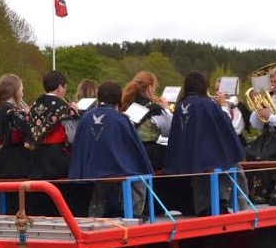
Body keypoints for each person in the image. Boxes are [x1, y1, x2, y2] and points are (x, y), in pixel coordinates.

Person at [163, 70, 246, 216]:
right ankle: (231, 204)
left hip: (188, 156)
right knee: (232, 163)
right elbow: (226, 126)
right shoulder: (207, 104)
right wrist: (223, 106)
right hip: (207, 155)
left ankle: (202, 207)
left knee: (202, 176)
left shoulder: (181, 104)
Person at [70, 81, 153, 218]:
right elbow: (134, 149)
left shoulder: (85, 117)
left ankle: (95, 215)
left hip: (89, 168)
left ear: (99, 96)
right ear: (118, 98)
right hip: (114, 168)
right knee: (140, 174)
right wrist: (145, 166)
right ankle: (133, 214)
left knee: (101, 188)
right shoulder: (121, 119)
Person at [25, 70, 79, 217]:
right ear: (60, 87)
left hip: (36, 157)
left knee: (41, 197)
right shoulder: (63, 107)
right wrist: (75, 112)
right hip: (57, 157)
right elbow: (73, 136)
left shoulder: (35, 105)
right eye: (65, 88)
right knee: (61, 197)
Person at [246, 65, 276, 205]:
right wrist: (258, 110)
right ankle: (253, 195)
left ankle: (269, 194)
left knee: (265, 157)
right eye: (271, 82)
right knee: (247, 153)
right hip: (268, 136)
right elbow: (257, 125)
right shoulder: (269, 96)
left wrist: (270, 116)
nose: (273, 85)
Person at [0, 74, 31, 213]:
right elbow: (30, 138)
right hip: (16, 172)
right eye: (21, 89)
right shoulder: (15, 113)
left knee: (4, 212)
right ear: (14, 91)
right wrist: (29, 116)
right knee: (18, 213)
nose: (23, 93)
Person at [120, 71, 172, 170]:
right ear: (149, 88)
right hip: (147, 156)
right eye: (154, 88)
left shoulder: (124, 105)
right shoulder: (155, 110)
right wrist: (166, 109)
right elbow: (169, 131)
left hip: (127, 154)